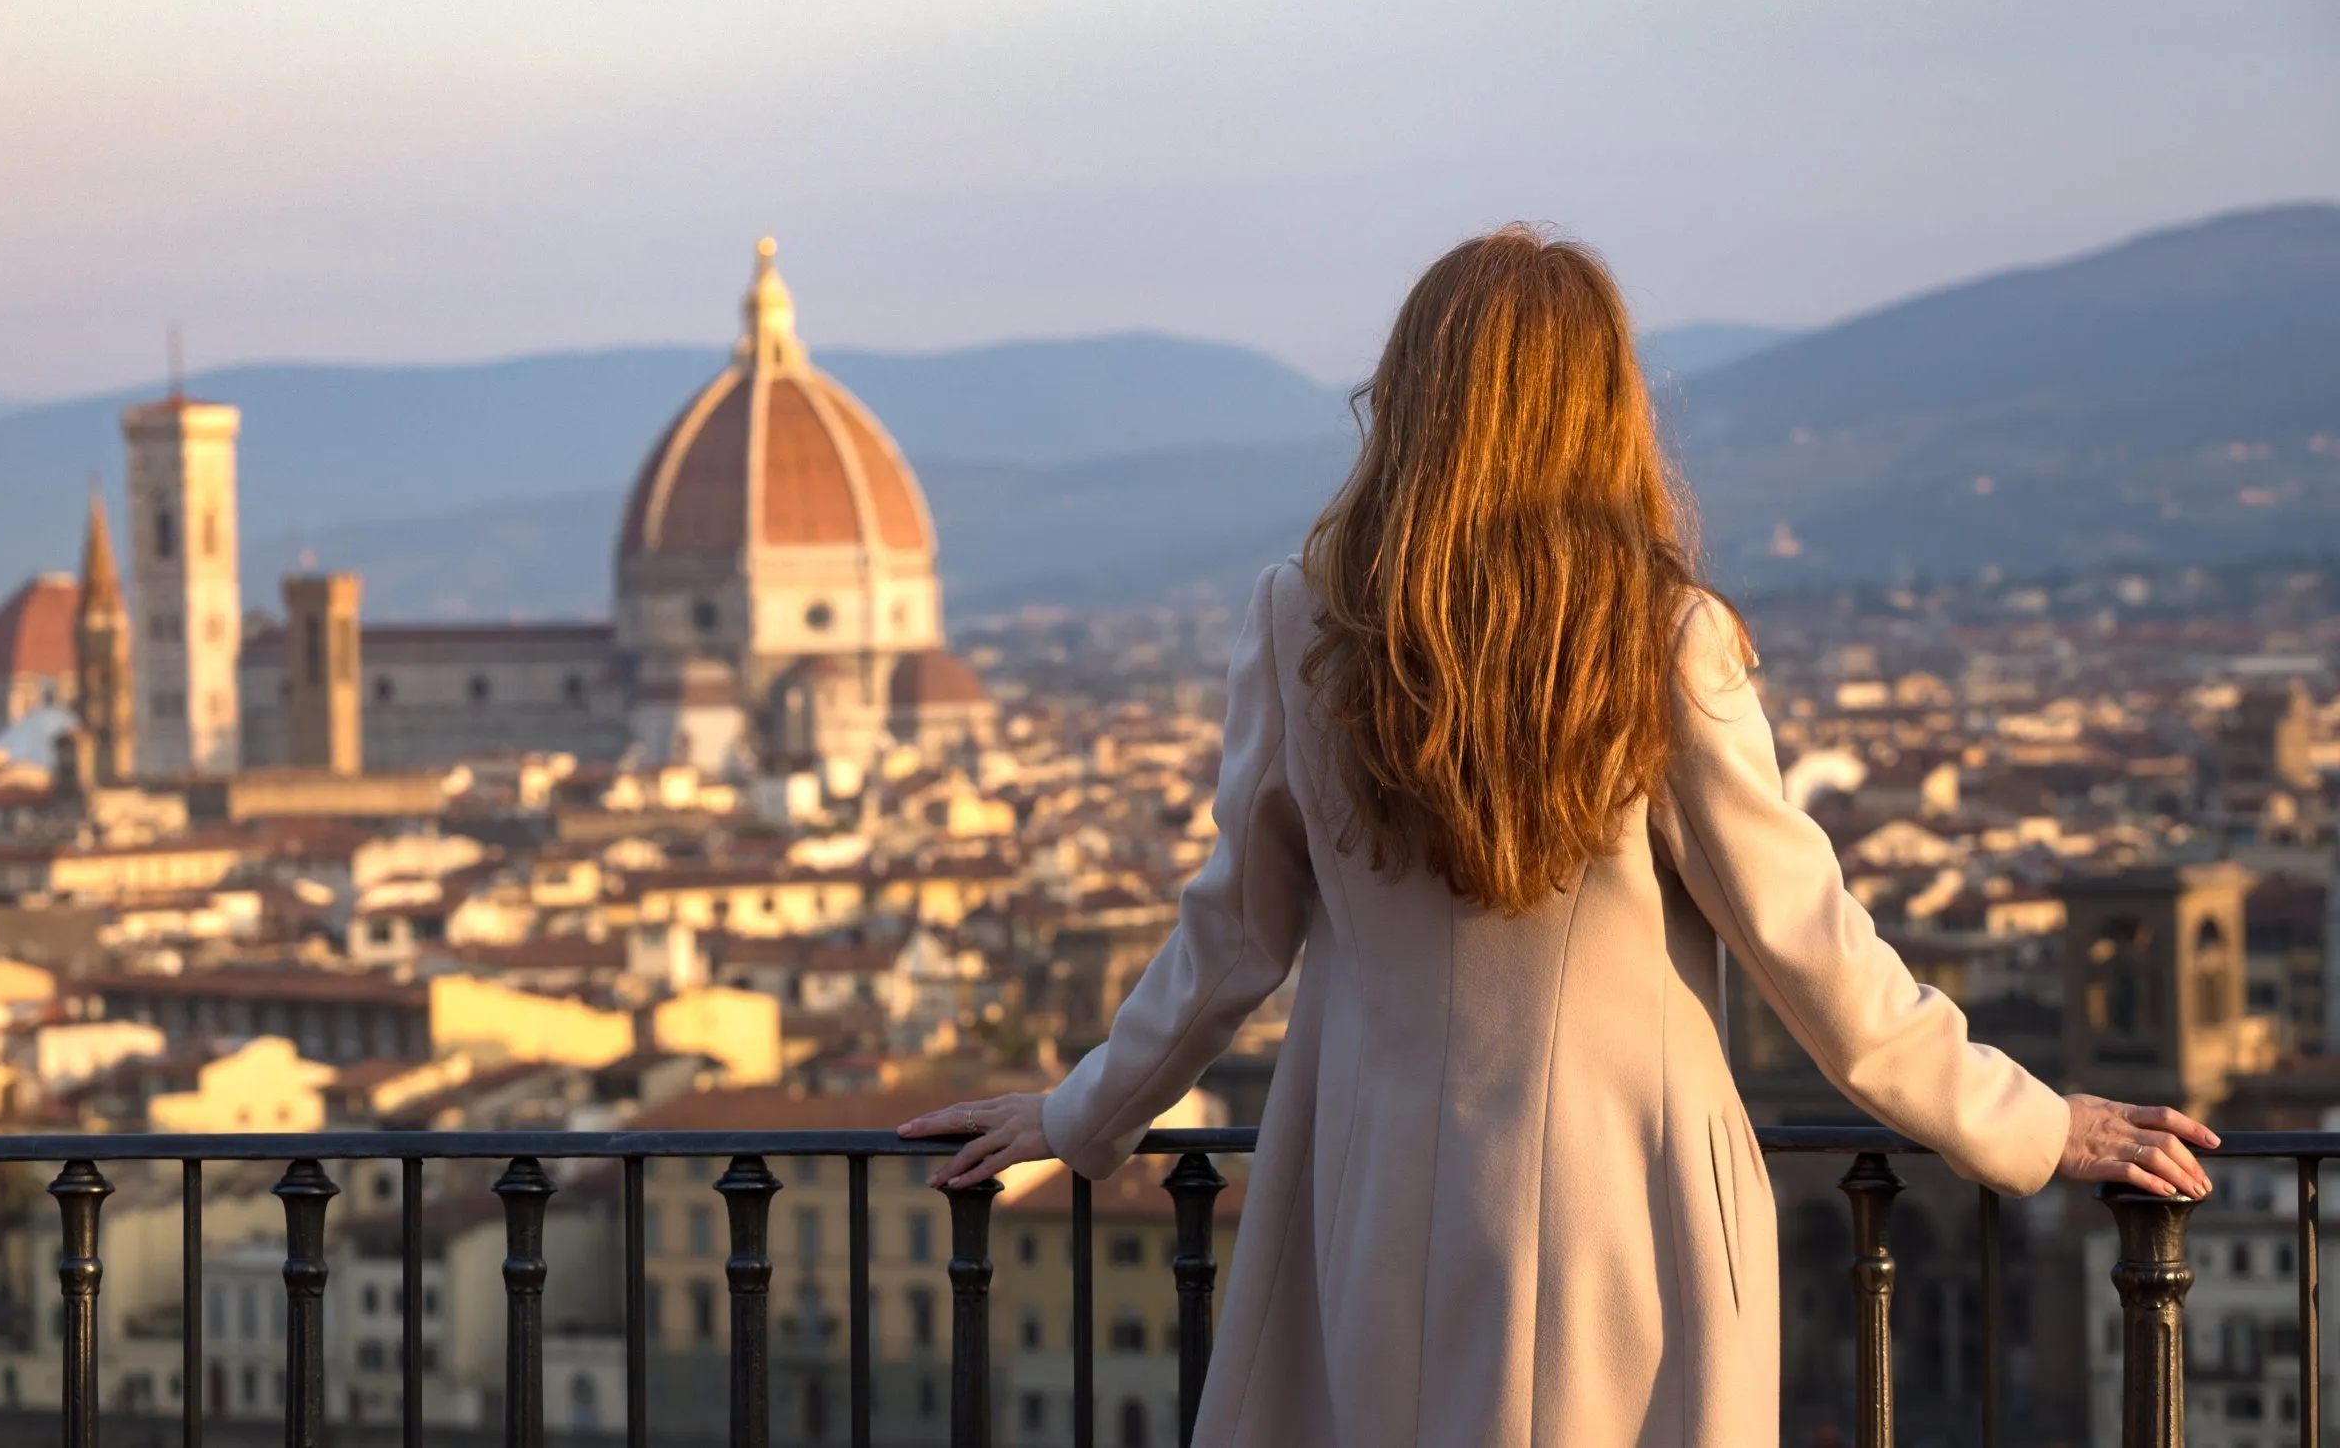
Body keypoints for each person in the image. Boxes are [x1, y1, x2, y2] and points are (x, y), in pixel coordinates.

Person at [901, 226, 2217, 1446]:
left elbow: (1232, 938)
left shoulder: (1304, 622)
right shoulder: (1662, 635)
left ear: (1410, 397)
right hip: (1624, 1198)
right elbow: (1813, 949)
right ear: (1603, 410)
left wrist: (1081, 1114)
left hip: (1371, 1194)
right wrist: (2030, 1128)